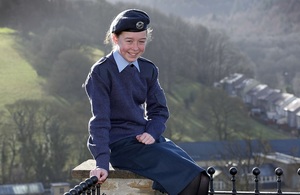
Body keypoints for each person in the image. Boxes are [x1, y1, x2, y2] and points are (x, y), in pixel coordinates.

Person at [84, 8, 210, 195]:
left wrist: (152, 132)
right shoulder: (101, 72)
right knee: (189, 179)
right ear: (115, 39)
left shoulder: (148, 70)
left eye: (141, 41)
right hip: (121, 145)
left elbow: (159, 110)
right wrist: (102, 162)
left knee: (201, 177)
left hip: (147, 140)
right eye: (129, 41)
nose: (136, 47)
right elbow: (100, 121)